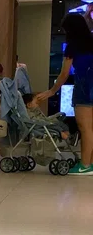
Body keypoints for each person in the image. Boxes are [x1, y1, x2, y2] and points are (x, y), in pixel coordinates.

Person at [38, 13, 93, 175]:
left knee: (85, 128)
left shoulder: (72, 46)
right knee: (91, 128)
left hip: (84, 88)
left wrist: (52, 91)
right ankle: (90, 163)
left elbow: (64, 74)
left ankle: (85, 165)